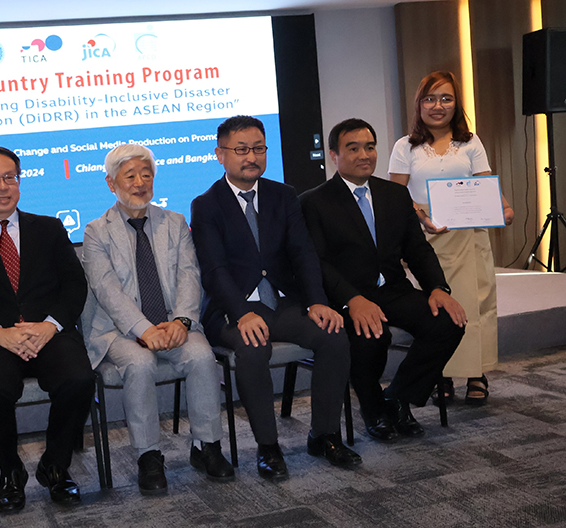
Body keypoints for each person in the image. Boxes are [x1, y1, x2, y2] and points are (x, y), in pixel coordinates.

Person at [190, 115, 361, 478]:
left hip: (281, 301)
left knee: (333, 335)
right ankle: (268, 447)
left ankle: (325, 434)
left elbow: (303, 252)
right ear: (220, 154)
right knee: (252, 349)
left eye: (258, 148)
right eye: (241, 150)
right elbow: (214, 270)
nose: (251, 157)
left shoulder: (283, 195)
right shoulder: (206, 204)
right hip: (232, 307)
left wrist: (317, 300)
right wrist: (240, 312)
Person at [0, 146, 94, 511]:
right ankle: (11, 471)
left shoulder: (49, 227)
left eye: (10, 177)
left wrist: (50, 325)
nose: (3, 186)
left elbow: (75, 285)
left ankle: (55, 465)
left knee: (79, 379)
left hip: (48, 333)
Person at [300, 118, 467, 442]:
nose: (364, 154)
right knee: (371, 334)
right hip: (346, 297)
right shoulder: (314, 202)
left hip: (392, 289)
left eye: (370, 147)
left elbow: (417, 249)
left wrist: (438, 288)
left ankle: (398, 397)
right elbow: (316, 263)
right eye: (353, 148)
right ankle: (373, 408)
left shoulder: (394, 194)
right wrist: (353, 300)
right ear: (334, 154)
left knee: (449, 321)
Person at [81, 143, 234, 495]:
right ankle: (149, 455)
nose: (139, 183)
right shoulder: (96, 231)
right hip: (119, 330)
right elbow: (107, 292)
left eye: (146, 174)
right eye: (130, 175)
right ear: (111, 183)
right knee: (139, 363)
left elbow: (189, 276)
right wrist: (144, 330)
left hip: (171, 322)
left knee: (200, 355)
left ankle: (206, 446)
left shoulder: (175, 222)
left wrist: (181, 322)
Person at [388, 71, 514, 406]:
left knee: (476, 303)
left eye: (446, 98)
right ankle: (439, 374)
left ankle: (477, 373)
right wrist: (421, 216)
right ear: (419, 104)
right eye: (430, 98)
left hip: (471, 234)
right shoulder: (405, 146)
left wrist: (503, 208)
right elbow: (395, 197)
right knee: (438, 306)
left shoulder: (470, 142)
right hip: (427, 239)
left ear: (456, 103)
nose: (438, 106)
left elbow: (487, 185)